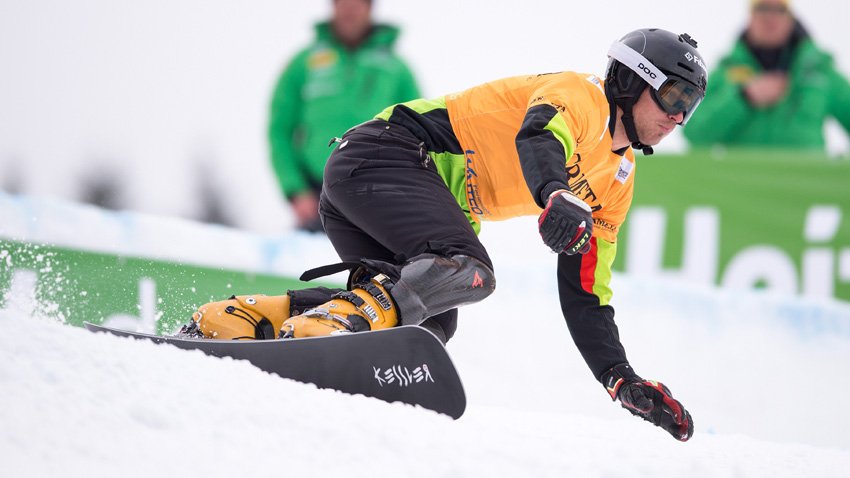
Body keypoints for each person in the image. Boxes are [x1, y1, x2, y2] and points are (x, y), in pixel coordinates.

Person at [194, 28, 705, 441]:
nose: (679, 116)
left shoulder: (617, 181)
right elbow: (540, 133)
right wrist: (553, 192)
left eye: (692, 104)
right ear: (631, 82)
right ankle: (328, 326)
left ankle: (248, 316)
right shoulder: (583, 96)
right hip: (385, 154)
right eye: (673, 95)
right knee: (469, 269)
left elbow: (586, 292)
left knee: (427, 326)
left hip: (373, 183)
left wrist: (619, 376)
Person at [268, 0, 421, 232]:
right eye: (343, 2)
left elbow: (417, 131)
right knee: (312, 265)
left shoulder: (396, 69)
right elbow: (279, 130)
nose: (349, 9)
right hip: (316, 195)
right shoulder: (303, 64)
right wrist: (295, 190)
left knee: (378, 265)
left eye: (357, 3)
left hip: (378, 193)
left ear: (369, 8)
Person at [684, 0, 850, 149]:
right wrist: (744, 98)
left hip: (809, 181)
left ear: (791, 17)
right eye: (762, 8)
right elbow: (694, 132)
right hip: (743, 182)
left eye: (779, 9)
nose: (770, 17)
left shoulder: (819, 71)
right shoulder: (726, 72)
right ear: (750, 16)